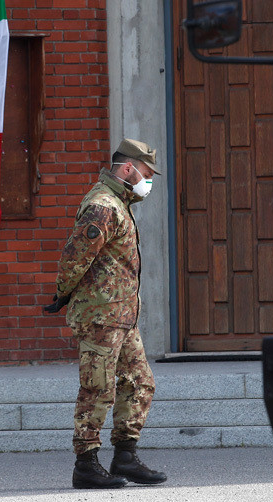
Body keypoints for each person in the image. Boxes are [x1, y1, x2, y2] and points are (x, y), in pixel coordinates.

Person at [45, 138, 168, 490]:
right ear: (127, 169)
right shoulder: (103, 206)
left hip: (122, 316)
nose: (147, 181)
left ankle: (125, 456)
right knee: (97, 388)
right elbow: (75, 256)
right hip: (101, 316)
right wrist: (63, 293)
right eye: (145, 173)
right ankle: (86, 463)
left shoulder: (119, 203)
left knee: (140, 383)